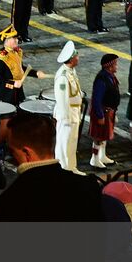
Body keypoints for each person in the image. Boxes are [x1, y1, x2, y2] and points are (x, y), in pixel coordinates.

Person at [0, 24, 46, 104]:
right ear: (7, 40)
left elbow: (20, 68)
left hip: (17, 91)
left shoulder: (16, 52)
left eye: (16, 38)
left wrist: (36, 73)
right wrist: (12, 84)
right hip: (6, 93)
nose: (17, 40)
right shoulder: (1, 56)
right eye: (14, 38)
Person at [51, 41, 84, 172]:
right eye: (77, 56)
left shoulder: (71, 71)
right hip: (67, 114)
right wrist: (66, 117)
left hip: (74, 112)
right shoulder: (63, 76)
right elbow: (62, 99)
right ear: (71, 59)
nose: (78, 58)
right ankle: (64, 168)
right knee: (64, 142)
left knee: (72, 141)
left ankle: (71, 166)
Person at [89, 53, 121, 169]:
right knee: (98, 136)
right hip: (103, 112)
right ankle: (95, 159)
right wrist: (100, 115)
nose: (117, 66)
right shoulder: (102, 79)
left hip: (109, 111)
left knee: (104, 135)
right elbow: (97, 99)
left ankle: (102, 156)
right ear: (110, 66)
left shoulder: (110, 76)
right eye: (115, 64)